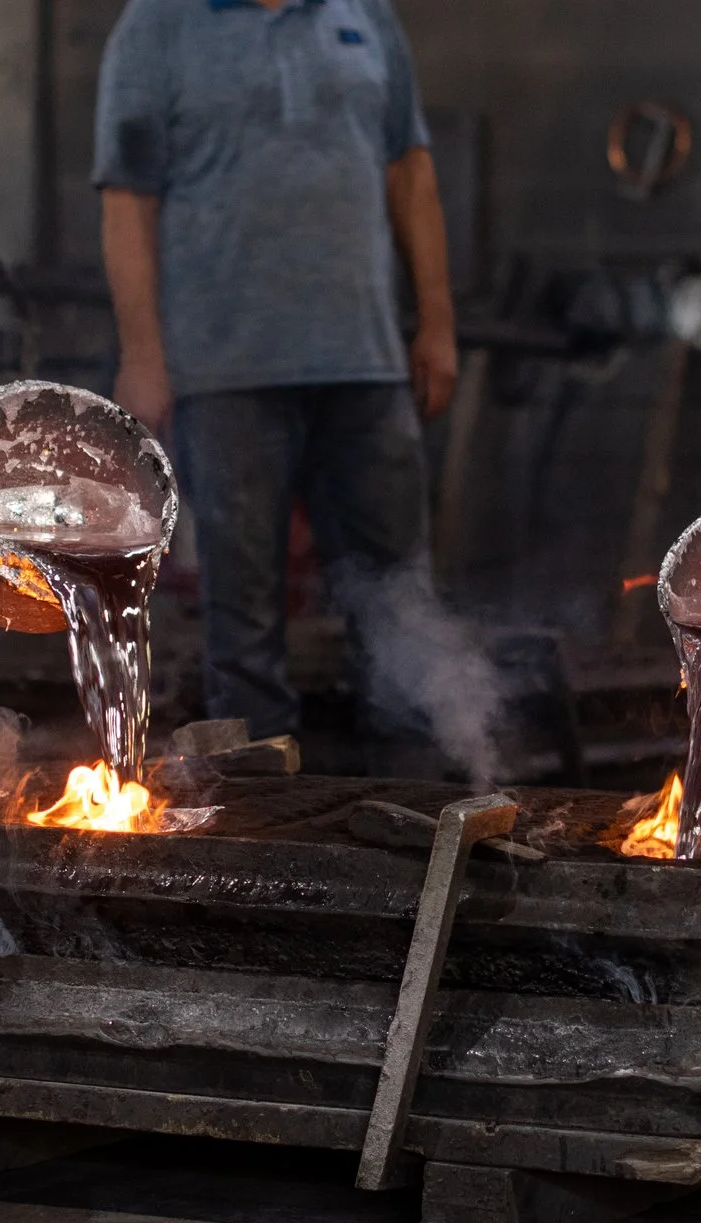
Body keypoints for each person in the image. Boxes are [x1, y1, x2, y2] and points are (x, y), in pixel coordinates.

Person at [93, 0, 458, 752]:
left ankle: (418, 813)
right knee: (245, 621)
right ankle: (264, 817)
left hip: (365, 363)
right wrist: (142, 354)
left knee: (398, 603)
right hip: (226, 376)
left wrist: (436, 320)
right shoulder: (157, 26)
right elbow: (128, 198)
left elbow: (410, 172)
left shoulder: (365, 17)